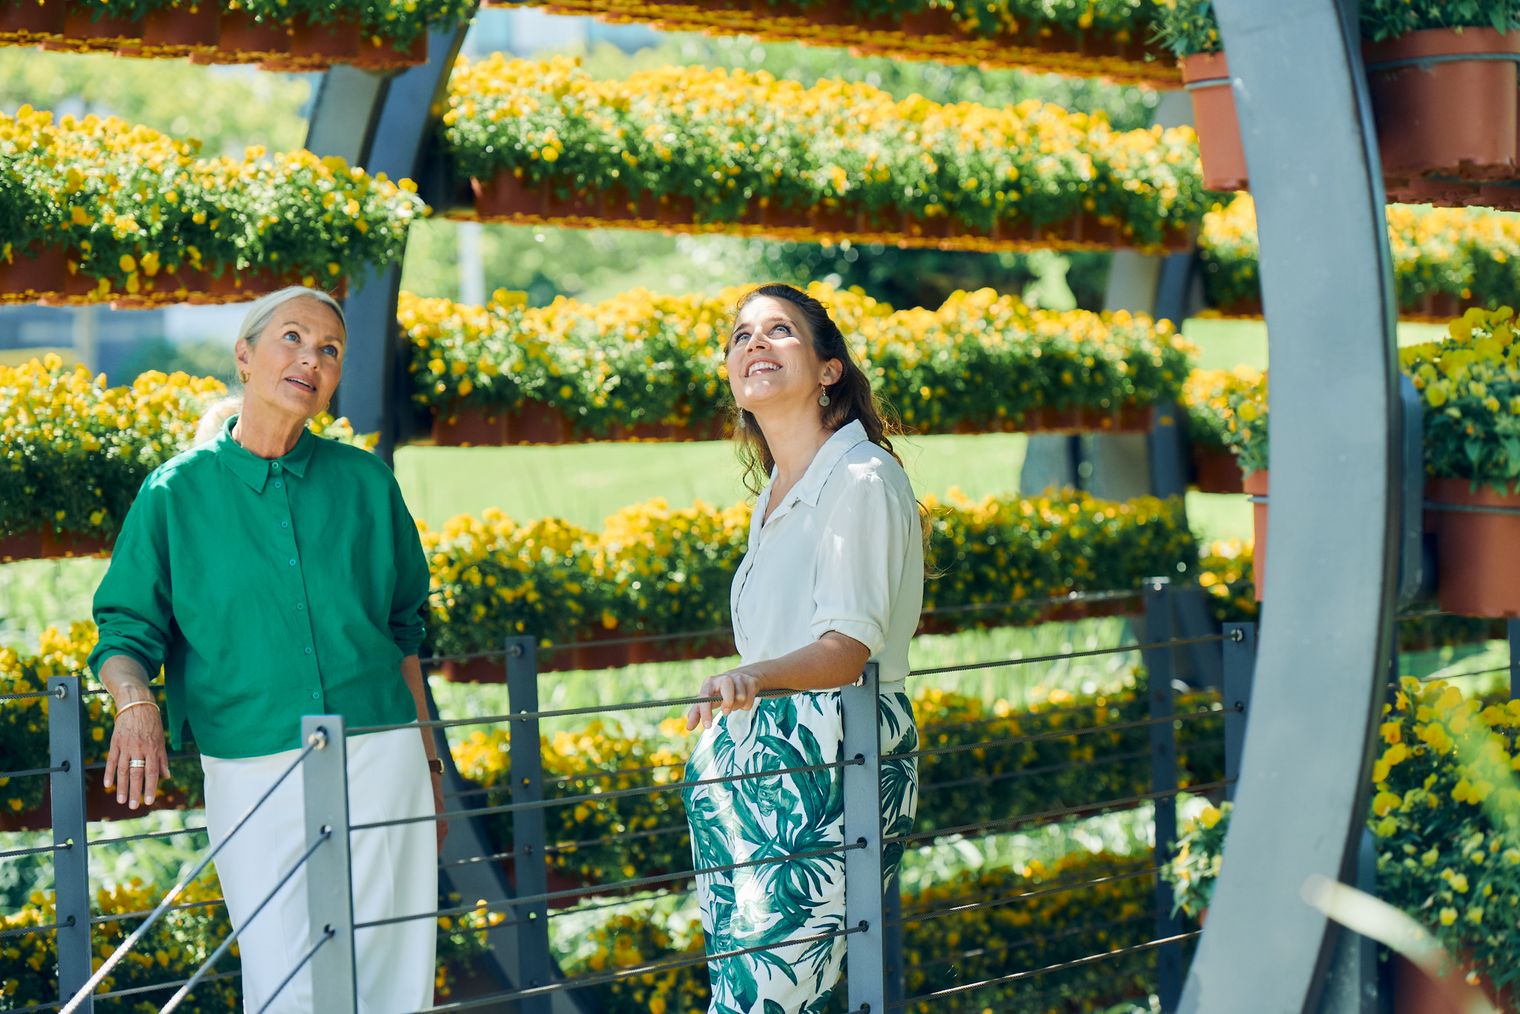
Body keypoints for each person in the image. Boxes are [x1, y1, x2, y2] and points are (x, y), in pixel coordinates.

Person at [89, 286, 445, 1012]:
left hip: (384, 750)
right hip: (253, 762)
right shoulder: (176, 494)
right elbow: (124, 635)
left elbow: (403, 637)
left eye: (329, 350)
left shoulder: (368, 485)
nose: (310, 359)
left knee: (393, 971)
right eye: (292, 338)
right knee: (286, 976)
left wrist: (429, 759)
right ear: (245, 357)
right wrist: (135, 704)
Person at [682, 284, 923, 1013]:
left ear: (829, 370)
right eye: (740, 335)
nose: (754, 344)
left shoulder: (861, 477)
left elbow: (848, 648)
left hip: (829, 748)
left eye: (780, 330)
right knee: (745, 994)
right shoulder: (775, 494)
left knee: (772, 1000)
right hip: (749, 756)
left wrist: (749, 677)